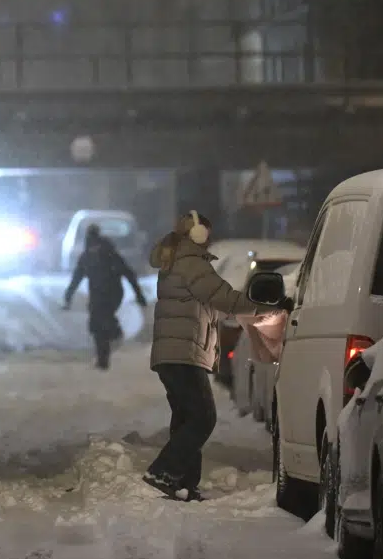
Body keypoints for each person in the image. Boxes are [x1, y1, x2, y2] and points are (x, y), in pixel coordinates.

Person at [144, 210, 259, 502]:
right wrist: (259, 305)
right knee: (203, 418)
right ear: (199, 235)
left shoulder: (178, 261)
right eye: (208, 233)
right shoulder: (192, 264)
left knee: (186, 418)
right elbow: (222, 296)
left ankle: (183, 483)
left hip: (173, 353)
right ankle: (163, 470)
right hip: (183, 353)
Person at [64, 224, 147, 369]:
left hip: (107, 294)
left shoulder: (95, 255)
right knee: (99, 324)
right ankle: (103, 359)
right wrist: (139, 295)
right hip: (109, 294)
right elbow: (129, 274)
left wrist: (68, 298)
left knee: (99, 324)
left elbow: (76, 279)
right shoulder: (103, 254)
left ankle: (114, 337)